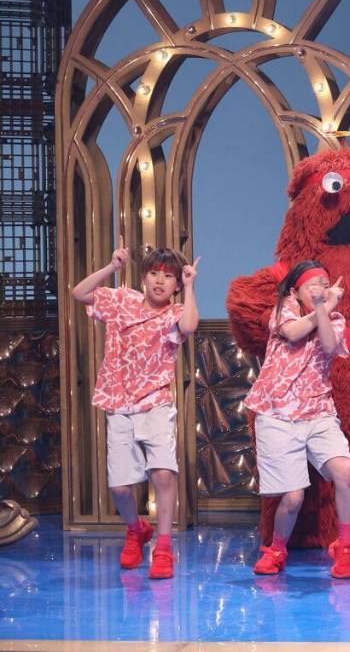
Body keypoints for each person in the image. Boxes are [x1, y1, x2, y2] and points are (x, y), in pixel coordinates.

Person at [72, 242, 199, 579]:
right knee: (120, 487)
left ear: (175, 284)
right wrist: (112, 268)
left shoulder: (174, 313)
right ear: (144, 277)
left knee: (162, 474)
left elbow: (189, 327)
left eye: (168, 277)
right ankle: (136, 529)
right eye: (154, 273)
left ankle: (164, 546)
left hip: (155, 401)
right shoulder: (122, 301)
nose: (159, 281)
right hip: (118, 402)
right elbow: (79, 293)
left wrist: (190, 286)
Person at [244, 261, 350, 579]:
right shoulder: (284, 308)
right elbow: (293, 333)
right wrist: (322, 307)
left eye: (324, 283)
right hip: (277, 413)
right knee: (293, 497)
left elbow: (328, 344)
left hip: (318, 412)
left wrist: (324, 308)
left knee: (345, 473)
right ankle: (277, 549)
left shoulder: (335, 320)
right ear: (296, 291)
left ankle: (345, 547)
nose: (320, 288)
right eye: (313, 284)